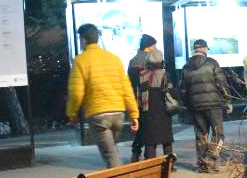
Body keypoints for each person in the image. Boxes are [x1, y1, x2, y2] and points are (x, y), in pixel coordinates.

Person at [67, 23, 139, 168]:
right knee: (112, 152)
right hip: (118, 115)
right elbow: (126, 89)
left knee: (111, 157)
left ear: (83, 40)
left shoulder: (80, 60)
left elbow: (76, 92)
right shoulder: (114, 59)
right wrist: (133, 114)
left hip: (99, 116)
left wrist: (72, 113)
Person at [181, 38, 230, 172]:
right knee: (218, 134)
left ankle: (203, 164)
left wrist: (188, 105)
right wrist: (227, 100)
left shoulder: (186, 66)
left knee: (201, 135)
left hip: (195, 106)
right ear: (203, 49)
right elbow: (221, 83)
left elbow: (183, 90)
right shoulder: (212, 63)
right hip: (213, 105)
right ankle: (210, 159)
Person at [133, 48, 175, 162]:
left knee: (150, 142)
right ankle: (169, 164)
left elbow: (138, 96)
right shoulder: (165, 75)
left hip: (147, 112)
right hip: (163, 112)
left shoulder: (141, 75)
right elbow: (171, 93)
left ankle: (150, 164)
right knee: (167, 140)